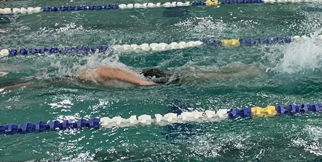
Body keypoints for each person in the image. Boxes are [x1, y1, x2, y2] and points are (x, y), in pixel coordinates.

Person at [75, 62, 259, 88]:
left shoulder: (83, 76)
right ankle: (235, 69)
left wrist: (142, 83)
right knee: (193, 74)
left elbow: (112, 71)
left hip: (149, 78)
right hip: (146, 74)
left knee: (196, 77)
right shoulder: (80, 77)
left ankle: (241, 73)